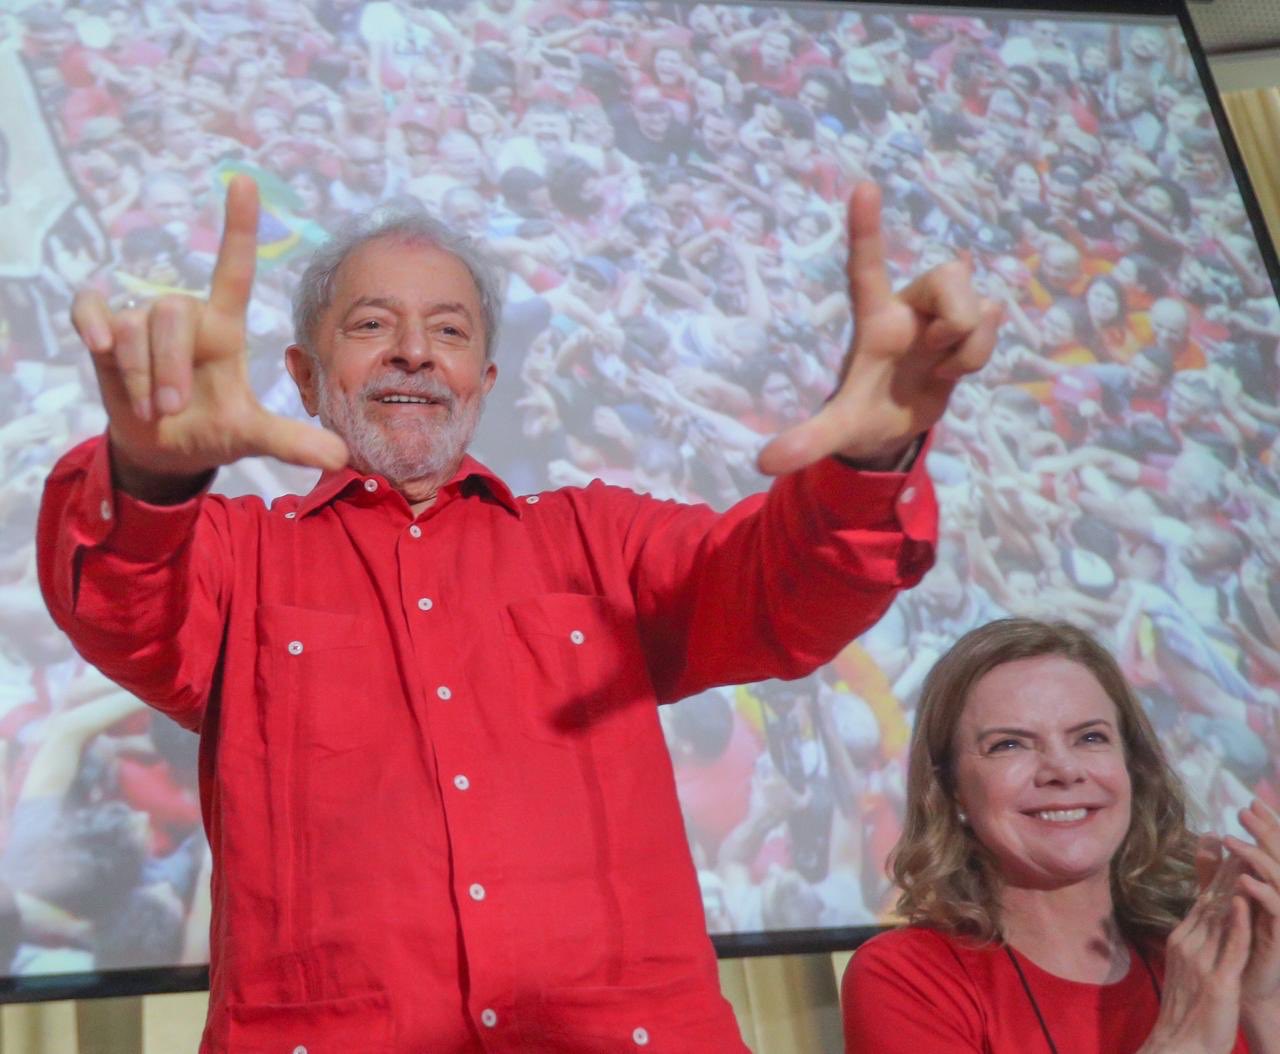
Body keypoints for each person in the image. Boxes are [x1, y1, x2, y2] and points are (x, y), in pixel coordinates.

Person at [39, 174, 999, 1052]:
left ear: (486, 382)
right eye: (373, 323)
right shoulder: (232, 556)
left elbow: (781, 595)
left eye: (451, 331)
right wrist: (151, 475)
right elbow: (119, 604)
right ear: (301, 374)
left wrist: (872, 463)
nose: (416, 350)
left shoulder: (602, 541)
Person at [842, 618, 1280, 1054]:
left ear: (1132, 766)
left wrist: (1262, 1001)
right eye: (1009, 745)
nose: (1064, 770)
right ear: (950, 787)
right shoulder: (908, 977)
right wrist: (1183, 1042)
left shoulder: (1200, 961)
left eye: (1090, 737)